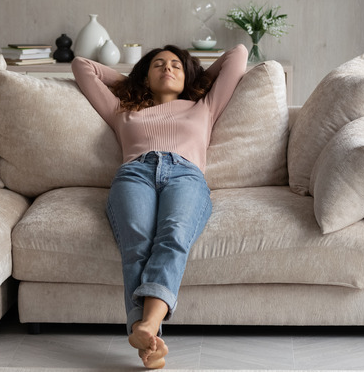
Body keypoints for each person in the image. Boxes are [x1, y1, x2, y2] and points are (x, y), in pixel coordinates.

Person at [71, 43, 247, 369]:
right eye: (158, 65)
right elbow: (82, 66)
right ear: (144, 76)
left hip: (186, 175)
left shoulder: (204, 106)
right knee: (136, 243)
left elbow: (237, 54)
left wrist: (195, 79)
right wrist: (134, 80)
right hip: (135, 173)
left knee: (175, 234)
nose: (167, 69)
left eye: (175, 66)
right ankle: (149, 336)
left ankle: (145, 328)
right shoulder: (123, 110)